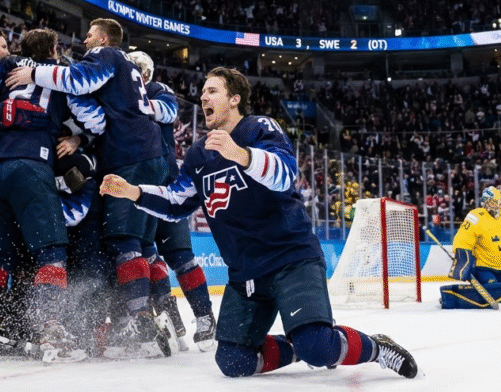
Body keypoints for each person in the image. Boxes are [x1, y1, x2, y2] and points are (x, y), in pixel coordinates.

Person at [100, 66, 418, 379]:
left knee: (318, 346)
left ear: (234, 99)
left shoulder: (259, 128)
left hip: (291, 259)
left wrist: (242, 155)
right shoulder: (199, 154)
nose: (203, 97)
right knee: (233, 361)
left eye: (212, 91)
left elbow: (284, 174)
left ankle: (377, 347)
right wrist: (133, 192)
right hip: (246, 274)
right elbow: (176, 202)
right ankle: (296, 348)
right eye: (202, 92)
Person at [5, 19, 174, 360]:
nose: (84, 39)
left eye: (90, 33)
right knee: (142, 245)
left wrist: (32, 74)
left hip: (129, 156)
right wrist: (80, 137)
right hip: (150, 155)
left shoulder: (105, 54)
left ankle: (141, 325)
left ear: (105, 38)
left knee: (123, 242)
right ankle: (149, 321)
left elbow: (78, 81)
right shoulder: (125, 67)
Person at [0, 28, 104, 364]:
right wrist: (79, 139)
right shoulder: (62, 75)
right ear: (54, 51)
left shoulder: (8, 66)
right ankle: (49, 329)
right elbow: (94, 120)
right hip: (32, 164)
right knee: (51, 252)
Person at [128, 50, 215, 352]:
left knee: (178, 255)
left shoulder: (156, 91)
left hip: (162, 184)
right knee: (147, 254)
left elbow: (165, 113)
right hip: (139, 184)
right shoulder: (135, 92)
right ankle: (172, 318)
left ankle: (204, 317)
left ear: (146, 73)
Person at [440, 186, 501, 309]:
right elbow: (463, 239)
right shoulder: (476, 217)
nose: (496, 205)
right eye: (492, 202)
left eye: (498, 201)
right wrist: (462, 257)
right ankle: (453, 298)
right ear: (484, 203)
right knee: (494, 290)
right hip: (482, 268)